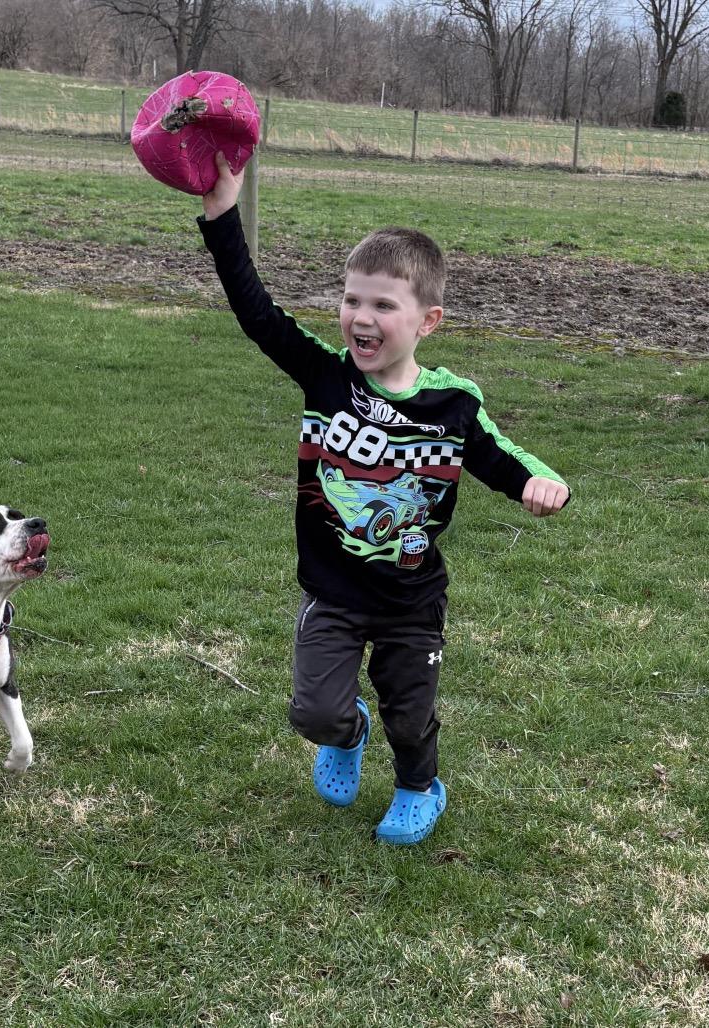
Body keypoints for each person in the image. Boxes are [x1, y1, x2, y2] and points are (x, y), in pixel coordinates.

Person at [196, 153, 570, 845]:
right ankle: (348, 733)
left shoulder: (451, 404)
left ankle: (417, 788)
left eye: (382, 305)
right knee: (313, 712)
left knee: (409, 713)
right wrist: (222, 212)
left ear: (427, 320)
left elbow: (500, 456)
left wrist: (540, 485)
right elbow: (255, 311)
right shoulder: (325, 377)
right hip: (332, 589)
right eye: (351, 300)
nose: (360, 317)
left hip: (410, 600)